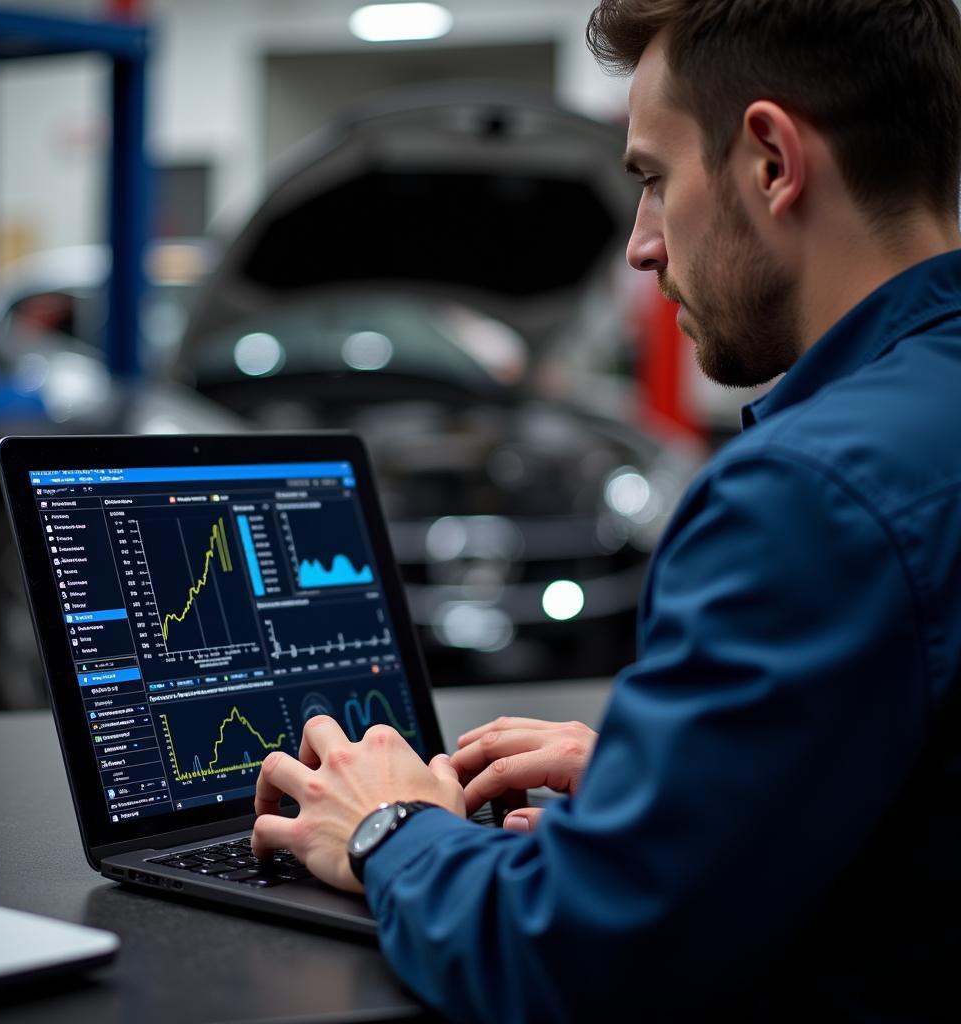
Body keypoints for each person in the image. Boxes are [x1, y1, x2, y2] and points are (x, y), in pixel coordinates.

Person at [252, 1, 961, 1019]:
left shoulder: (807, 491)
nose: (640, 246)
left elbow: (573, 957)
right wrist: (680, 784)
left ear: (769, 160)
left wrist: (391, 829)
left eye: (653, 181)